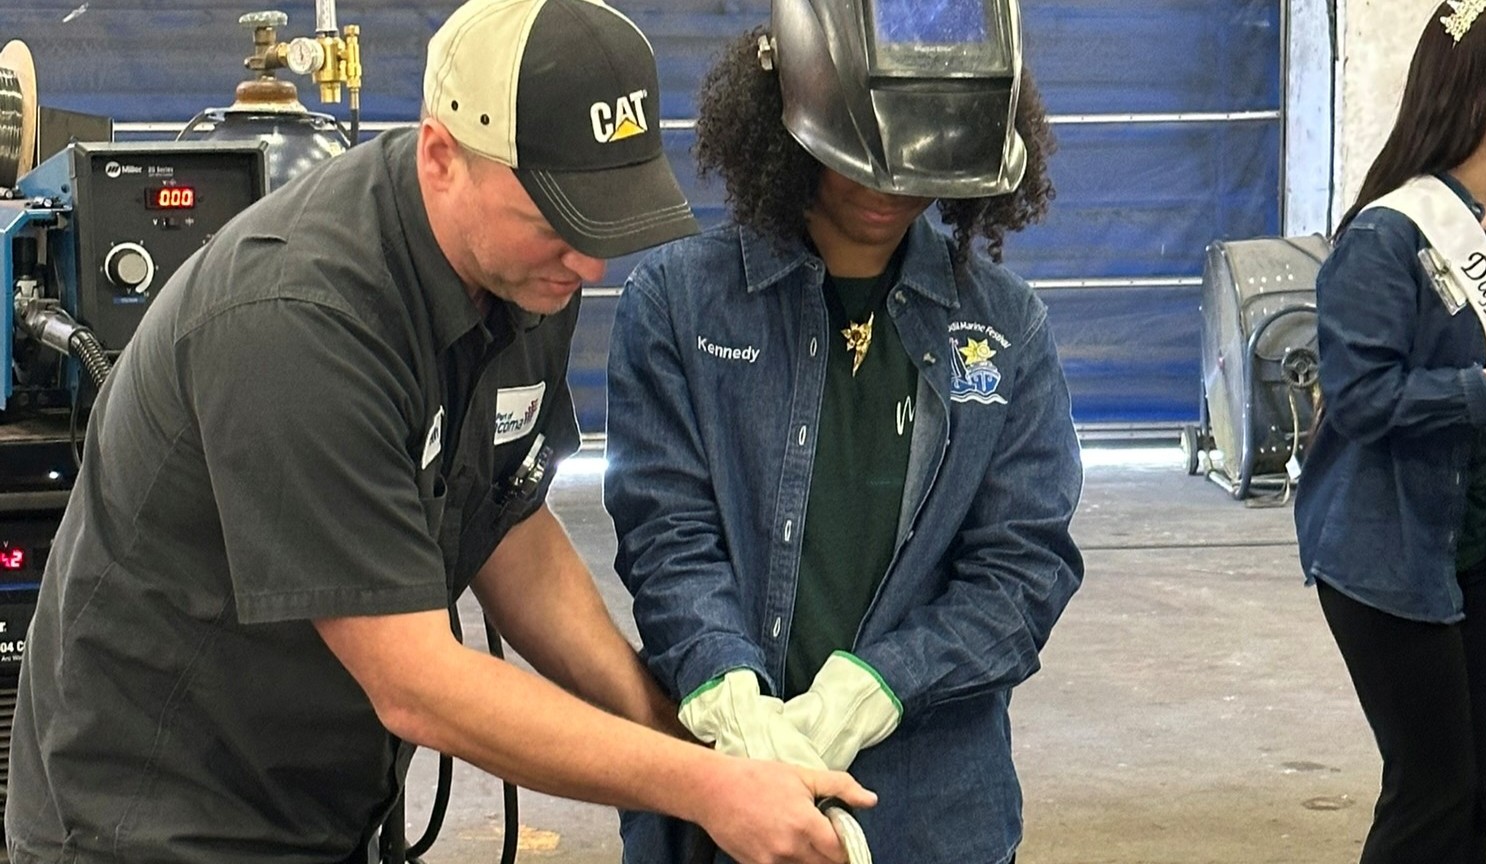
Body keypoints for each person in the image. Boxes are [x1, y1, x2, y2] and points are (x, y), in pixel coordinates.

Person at [3, 1, 874, 863]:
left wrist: (680, 731)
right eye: (557, 222)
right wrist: (707, 789)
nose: (590, 263)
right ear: (441, 157)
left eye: (607, 219)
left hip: (319, 799)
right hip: (153, 820)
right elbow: (418, 684)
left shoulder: (529, 277)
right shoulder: (301, 323)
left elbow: (507, 528)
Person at [602, 1, 1085, 860]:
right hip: (721, 798)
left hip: (935, 815)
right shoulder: (677, 305)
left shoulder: (1008, 330)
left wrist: (876, 687)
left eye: (922, 161)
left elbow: (1022, 568)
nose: (892, 189)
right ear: (789, 111)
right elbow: (668, 534)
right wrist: (732, 698)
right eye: (863, 159)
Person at [1295, 2, 1486, 861]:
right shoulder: (1386, 237)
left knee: (1473, 791)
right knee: (1430, 792)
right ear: (1474, 81)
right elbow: (1364, 402)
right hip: (1382, 556)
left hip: (1477, 546)